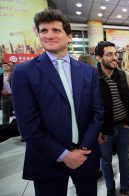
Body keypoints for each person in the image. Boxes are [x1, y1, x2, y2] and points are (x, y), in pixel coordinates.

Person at [11, 8, 104, 196]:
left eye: (56, 30)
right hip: (47, 159)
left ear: (69, 36)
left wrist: (83, 149)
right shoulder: (23, 72)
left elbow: (98, 113)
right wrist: (64, 155)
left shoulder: (88, 71)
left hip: (85, 156)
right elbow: (28, 125)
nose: (49, 35)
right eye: (43, 31)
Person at [95, 41, 129, 196]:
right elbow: (89, 107)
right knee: (106, 160)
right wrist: (97, 129)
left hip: (124, 126)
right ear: (99, 58)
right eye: (109, 54)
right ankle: (110, 188)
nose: (114, 58)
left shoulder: (124, 76)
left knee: (125, 159)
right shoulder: (92, 79)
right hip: (104, 130)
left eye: (115, 54)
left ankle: (125, 187)